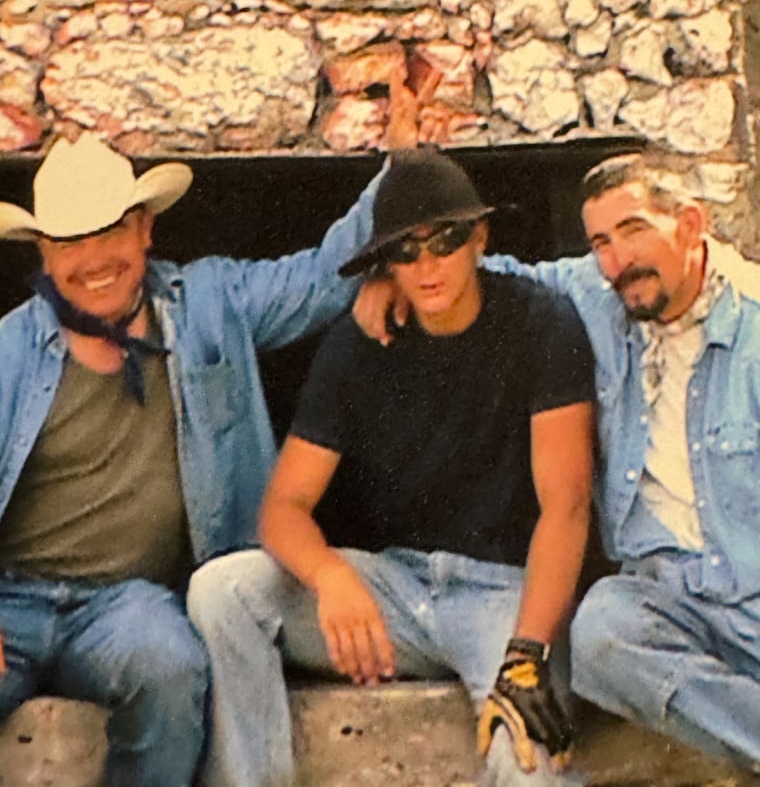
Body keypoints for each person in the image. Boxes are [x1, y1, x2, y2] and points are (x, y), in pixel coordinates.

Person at [187, 149, 596, 787]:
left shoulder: (541, 323)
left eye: (445, 241)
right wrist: (331, 577)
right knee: (223, 591)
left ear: (480, 237)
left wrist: (528, 653)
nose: (427, 265)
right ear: (385, 263)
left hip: (505, 594)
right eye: (405, 250)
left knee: (526, 752)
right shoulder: (359, 343)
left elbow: (566, 506)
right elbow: (284, 506)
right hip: (396, 587)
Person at [359, 148, 760, 773]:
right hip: (666, 606)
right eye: (600, 242)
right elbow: (488, 277)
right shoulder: (599, 296)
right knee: (599, 630)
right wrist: (398, 275)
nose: (617, 261)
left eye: (633, 231)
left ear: (690, 225)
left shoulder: (753, 329)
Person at [0, 131, 380, 787]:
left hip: (123, 605)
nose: (94, 259)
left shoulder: (208, 301)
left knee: (173, 668)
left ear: (145, 228)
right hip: (12, 598)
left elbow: (323, 278)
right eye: (69, 242)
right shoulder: (9, 347)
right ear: (44, 253)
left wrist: (401, 165)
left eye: (109, 232)